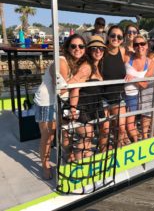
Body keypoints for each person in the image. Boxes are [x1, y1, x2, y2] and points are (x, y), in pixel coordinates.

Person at [34, 34, 89, 179]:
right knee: (48, 136)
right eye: (73, 46)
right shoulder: (61, 61)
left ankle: (67, 156)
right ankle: (45, 167)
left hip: (61, 102)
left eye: (81, 46)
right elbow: (62, 89)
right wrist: (79, 77)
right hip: (47, 102)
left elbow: (72, 88)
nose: (77, 49)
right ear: (67, 47)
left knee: (65, 131)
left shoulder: (76, 65)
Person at [69, 35, 106, 158]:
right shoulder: (87, 67)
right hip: (83, 107)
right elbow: (74, 87)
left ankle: (85, 163)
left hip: (92, 107)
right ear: (89, 50)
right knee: (86, 136)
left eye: (101, 48)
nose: (98, 51)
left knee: (88, 139)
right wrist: (73, 108)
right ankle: (79, 165)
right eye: (94, 48)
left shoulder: (98, 66)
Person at [124, 35, 154, 142]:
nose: (139, 46)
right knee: (119, 125)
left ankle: (136, 144)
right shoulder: (128, 57)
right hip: (119, 94)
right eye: (136, 44)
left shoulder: (150, 63)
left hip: (132, 96)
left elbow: (144, 84)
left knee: (129, 125)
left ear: (146, 45)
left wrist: (133, 78)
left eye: (142, 44)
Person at [100, 25, 127, 147]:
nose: (116, 38)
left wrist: (132, 76)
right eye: (113, 35)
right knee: (105, 129)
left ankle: (118, 149)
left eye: (119, 37)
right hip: (103, 97)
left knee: (121, 128)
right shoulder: (101, 51)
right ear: (108, 36)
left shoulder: (122, 51)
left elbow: (137, 59)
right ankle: (103, 151)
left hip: (118, 96)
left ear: (122, 40)